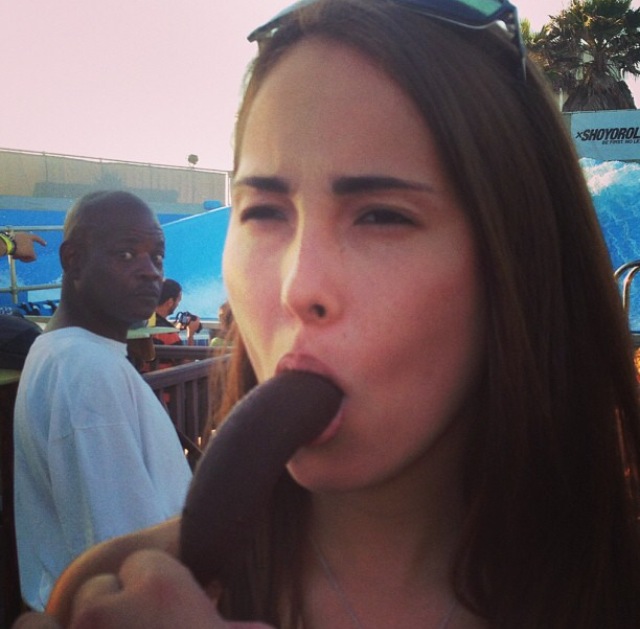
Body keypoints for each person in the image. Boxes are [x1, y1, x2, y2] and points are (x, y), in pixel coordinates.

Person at [13, 1, 640, 627]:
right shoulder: (105, 593)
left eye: (382, 216)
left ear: (519, 258)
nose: (297, 287)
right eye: (263, 212)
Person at [12, 190, 192, 612]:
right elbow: (129, 570)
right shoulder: (86, 369)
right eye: (126, 254)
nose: (150, 272)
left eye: (157, 256)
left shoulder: (67, 353)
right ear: (73, 260)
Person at [152, 278, 202, 348]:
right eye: (178, 300)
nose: (178, 304)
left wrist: (176, 328)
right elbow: (187, 356)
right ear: (170, 302)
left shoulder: (144, 322)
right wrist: (190, 335)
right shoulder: (169, 335)